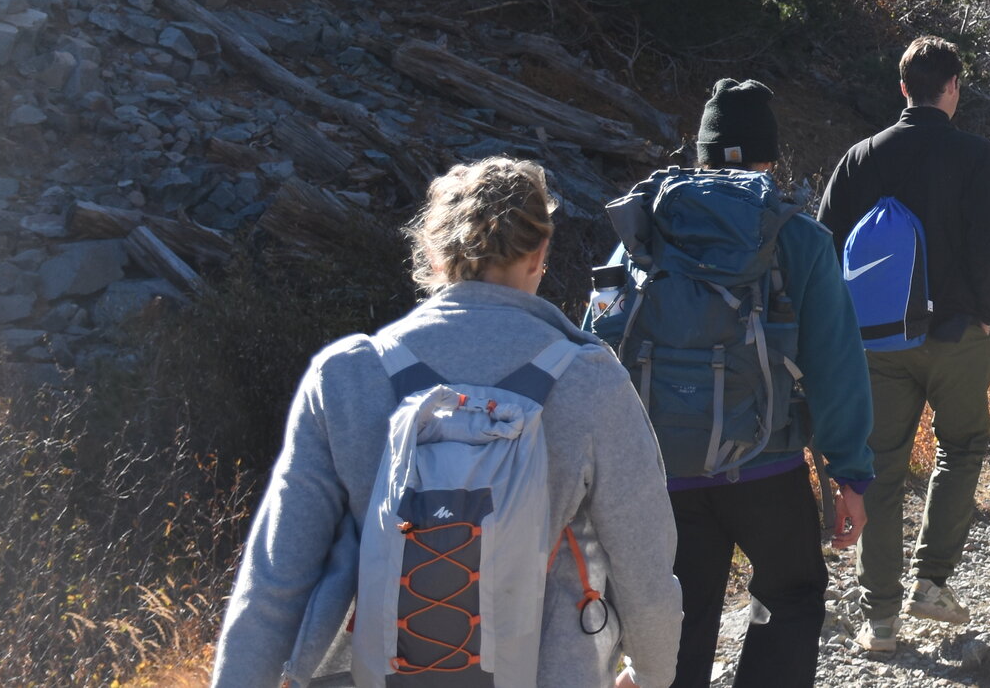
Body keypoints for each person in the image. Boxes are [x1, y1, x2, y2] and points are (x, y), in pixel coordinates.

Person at [210, 157, 685, 688]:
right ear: (540, 255)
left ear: (433, 254)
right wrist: (650, 677)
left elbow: (276, 578)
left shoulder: (347, 376)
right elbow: (645, 573)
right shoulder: (589, 380)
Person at [659, 80, 875, 688]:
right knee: (791, 594)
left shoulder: (649, 232)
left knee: (680, 618)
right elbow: (836, 365)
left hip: (666, 472)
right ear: (769, 159)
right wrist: (850, 475)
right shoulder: (797, 238)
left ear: (699, 154)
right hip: (766, 466)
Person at [817, 37, 990, 652]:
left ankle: (880, 620)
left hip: (875, 346)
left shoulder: (859, 159)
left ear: (903, 88)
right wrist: (985, 314)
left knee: (877, 468)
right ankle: (930, 582)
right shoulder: (977, 157)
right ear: (951, 88)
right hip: (958, 338)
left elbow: (825, 247)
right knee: (963, 445)